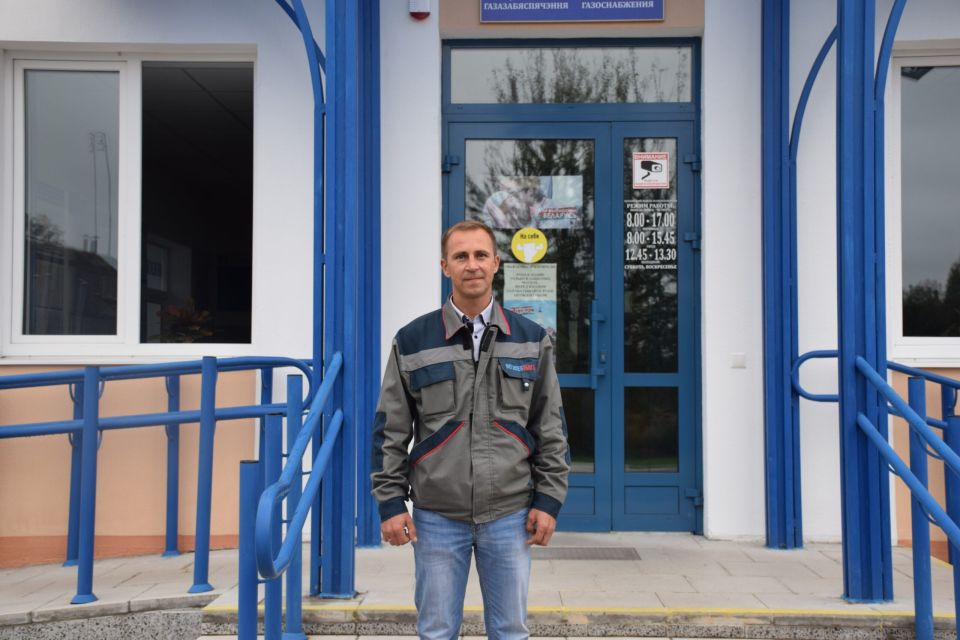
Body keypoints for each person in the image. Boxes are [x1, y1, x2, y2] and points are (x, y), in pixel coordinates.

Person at [371, 219, 570, 640]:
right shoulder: (413, 340)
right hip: (437, 515)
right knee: (437, 630)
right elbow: (390, 429)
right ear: (445, 266)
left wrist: (549, 499)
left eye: (481, 255)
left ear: (496, 263)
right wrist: (390, 502)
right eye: (460, 256)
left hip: (510, 514)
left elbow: (550, 426)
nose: (472, 264)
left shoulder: (531, 339)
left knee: (510, 630)